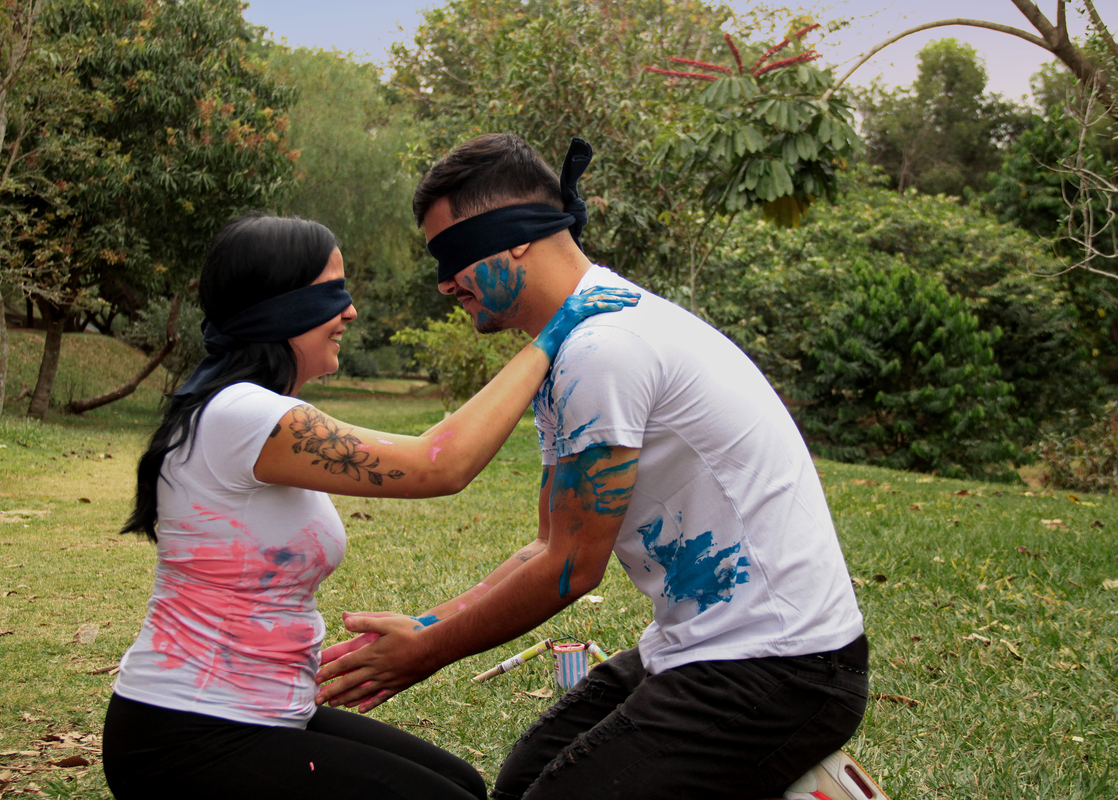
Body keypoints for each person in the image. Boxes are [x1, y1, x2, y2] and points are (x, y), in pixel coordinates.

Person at [314, 135, 876, 800]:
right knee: (522, 781)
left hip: (784, 667)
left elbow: (571, 570)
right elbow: (551, 544)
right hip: (702, 647)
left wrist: (428, 653)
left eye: (454, 254)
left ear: (516, 238)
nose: (444, 282)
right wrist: (430, 624)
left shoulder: (602, 349)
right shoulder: (571, 343)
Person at [100, 212, 637, 800]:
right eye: (333, 293)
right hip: (192, 735)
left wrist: (430, 626)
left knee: (462, 782)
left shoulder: (245, 414)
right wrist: (553, 334)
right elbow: (439, 464)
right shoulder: (242, 414)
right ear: (278, 306)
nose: (350, 312)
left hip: (252, 712)